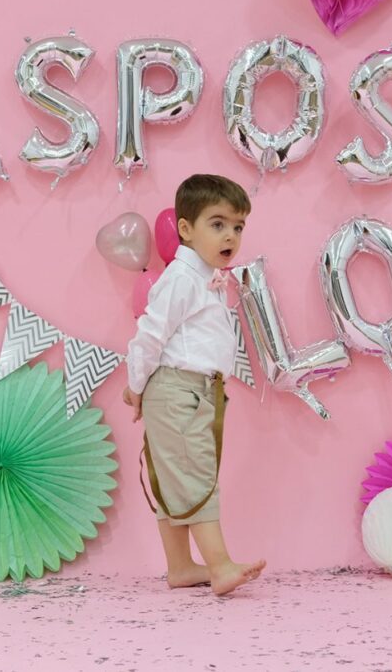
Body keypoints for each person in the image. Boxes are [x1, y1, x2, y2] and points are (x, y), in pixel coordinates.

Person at [123, 173, 266, 596]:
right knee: (195, 474)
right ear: (185, 229)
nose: (231, 236)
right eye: (218, 224)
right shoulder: (182, 279)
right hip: (178, 390)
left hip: (192, 390)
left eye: (238, 227)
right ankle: (219, 565)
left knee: (174, 478)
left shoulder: (205, 277)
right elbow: (149, 334)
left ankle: (182, 566)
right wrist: (137, 386)